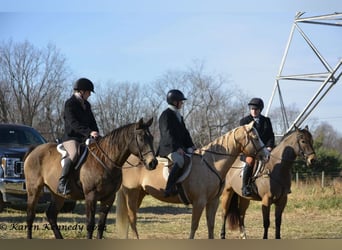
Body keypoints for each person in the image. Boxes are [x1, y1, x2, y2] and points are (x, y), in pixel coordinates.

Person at [57, 78, 100, 195]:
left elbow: (92, 121)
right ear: (82, 91)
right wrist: (88, 132)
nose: (90, 94)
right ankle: (62, 182)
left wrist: (96, 132)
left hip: (85, 137)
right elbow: (73, 123)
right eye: (89, 92)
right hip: (72, 138)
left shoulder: (86, 105)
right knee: (75, 154)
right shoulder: (70, 104)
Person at [158, 89, 196, 197]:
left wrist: (191, 146)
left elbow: (185, 133)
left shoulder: (178, 115)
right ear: (175, 102)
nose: (182, 103)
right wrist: (177, 148)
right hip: (168, 148)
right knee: (179, 161)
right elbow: (167, 134)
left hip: (180, 148)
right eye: (181, 101)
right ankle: (169, 188)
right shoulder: (166, 115)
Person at [239, 97, 275, 197]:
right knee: (250, 162)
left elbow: (271, 135)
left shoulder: (266, 121)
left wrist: (269, 147)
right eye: (252, 109)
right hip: (249, 151)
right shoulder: (244, 121)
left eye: (256, 109)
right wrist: (252, 151)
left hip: (265, 150)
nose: (254, 111)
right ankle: (245, 187)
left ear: (260, 109)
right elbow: (243, 139)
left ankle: (281, 185)